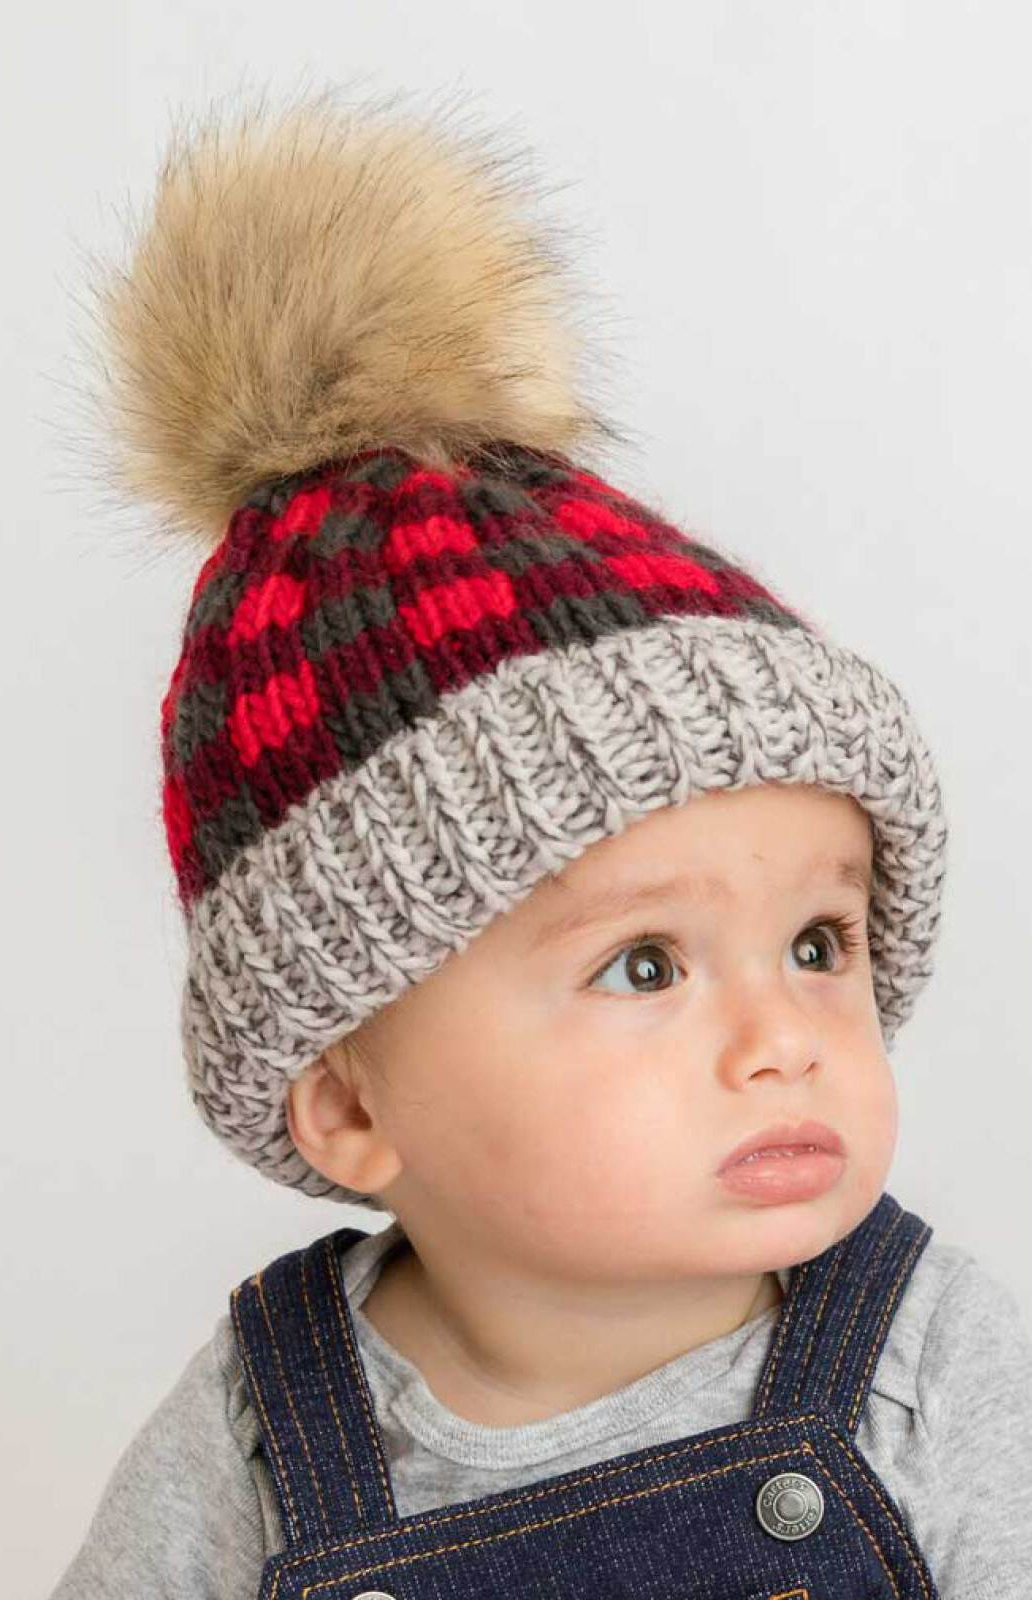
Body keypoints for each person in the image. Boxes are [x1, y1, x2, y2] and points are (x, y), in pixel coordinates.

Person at [50, 82, 1032, 1598]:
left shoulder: (933, 1367)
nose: (786, 1038)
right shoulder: (263, 1439)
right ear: (351, 1106)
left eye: (819, 943)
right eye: (646, 964)